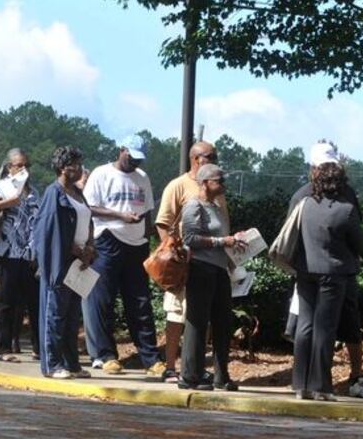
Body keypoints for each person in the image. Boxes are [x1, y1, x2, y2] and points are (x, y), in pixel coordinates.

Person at [284, 142, 363, 400]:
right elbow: (359, 243)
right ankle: (321, 386)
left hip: (305, 269)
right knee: (325, 328)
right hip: (336, 272)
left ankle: (300, 385)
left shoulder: (302, 200)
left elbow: (292, 234)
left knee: (305, 325)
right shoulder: (347, 205)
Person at [81, 134, 165, 378]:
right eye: (132, 157)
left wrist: (147, 238)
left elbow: (147, 211)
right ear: (121, 150)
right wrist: (120, 216)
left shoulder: (142, 177)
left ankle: (150, 358)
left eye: (139, 159)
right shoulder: (101, 174)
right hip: (108, 240)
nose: (135, 163)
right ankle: (106, 355)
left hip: (136, 244)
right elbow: (89, 207)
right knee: (103, 300)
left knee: (140, 302)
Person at [155, 140, 225, 382]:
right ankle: (170, 367)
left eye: (215, 156)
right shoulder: (178, 186)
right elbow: (163, 223)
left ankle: (195, 366)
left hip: (211, 264)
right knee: (177, 315)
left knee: (201, 317)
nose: (215, 160)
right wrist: (174, 256)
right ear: (195, 159)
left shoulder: (216, 187)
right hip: (185, 263)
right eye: (210, 156)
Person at [178, 164, 245, 391]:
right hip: (200, 268)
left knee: (222, 322)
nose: (223, 185)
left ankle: (221, 375)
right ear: (205, 183)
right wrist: (221, 241)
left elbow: (220, 236)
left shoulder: (216, 207)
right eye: (219, 181)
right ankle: (190, 375)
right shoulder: (193, 205)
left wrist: (234, 240)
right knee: (197, 322)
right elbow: (190, 238)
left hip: (219, 269)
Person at [0, 148, 40, 363]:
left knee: (34, 300)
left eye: (26, 165)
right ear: (10, 167)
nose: (23, 169)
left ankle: (38, 348)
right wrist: (6, 203)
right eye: (19, 165)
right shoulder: (1, 187)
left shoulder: (34, 192)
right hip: (5, 251)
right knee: (7, 300)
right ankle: (3, 348)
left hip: (29, 254)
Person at [35, 146, 95, 379]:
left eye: (80, 164)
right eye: (74, 165)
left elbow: (88, 221)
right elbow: (52, 231)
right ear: (61, 168)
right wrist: (75, 250)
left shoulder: (78, 193)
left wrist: (89, 247)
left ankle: (72, 363)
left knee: (71, 315)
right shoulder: (54, 193)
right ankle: (52, 364)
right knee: (55, 314)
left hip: (80, 262)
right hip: (60, 262)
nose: (79, 169)